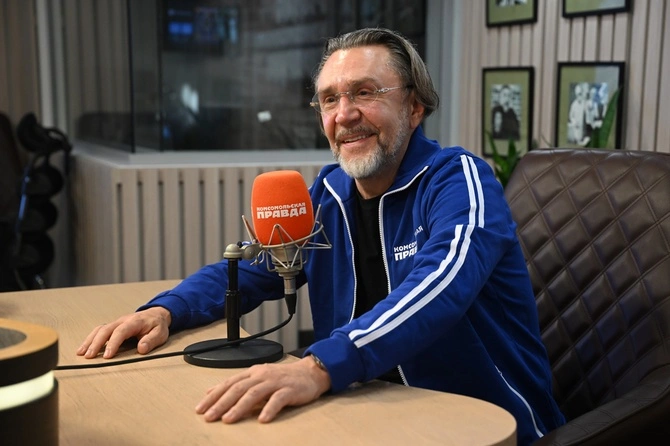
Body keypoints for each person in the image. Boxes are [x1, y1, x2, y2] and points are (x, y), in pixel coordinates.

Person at [77, 28, 565, 445]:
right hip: (367, 410)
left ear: (415, 107)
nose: (344, 115)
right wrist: (166, 310)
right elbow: (255, 268)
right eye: (330, 99)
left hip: (486, 426)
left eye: (365, 92)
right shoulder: (329, 193)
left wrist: (320, 366)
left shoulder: (460, 179)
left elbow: (440, 286)